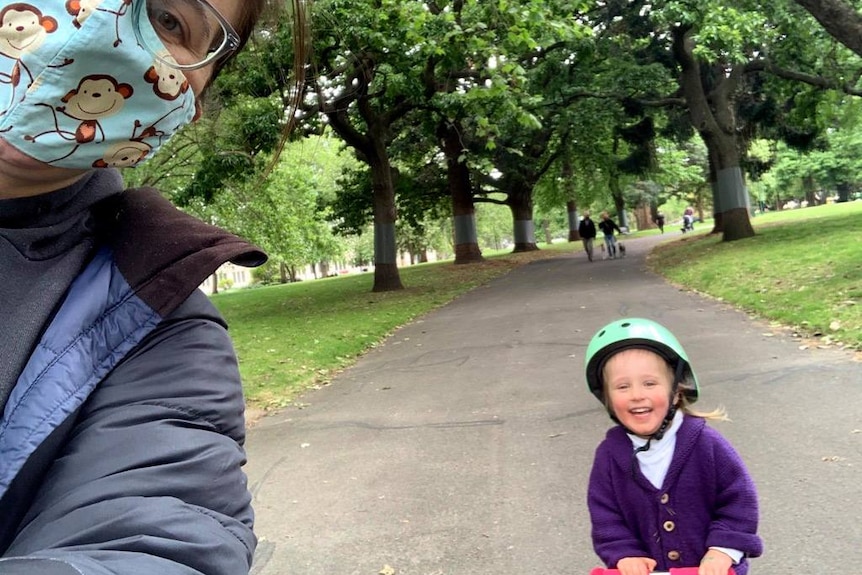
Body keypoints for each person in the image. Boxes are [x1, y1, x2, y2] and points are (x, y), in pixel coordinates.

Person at [0, 1, 279, 573]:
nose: (100, 18)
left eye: (171, 19)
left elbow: (148, 544)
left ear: (187, 105)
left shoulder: (164, 331)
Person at [584, 318, 763, 575]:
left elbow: (738, 501)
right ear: (608, 399)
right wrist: (625, 553)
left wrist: (722, 551)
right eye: (622, 386)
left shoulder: (707, 445)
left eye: (649, 383)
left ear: (677, 391)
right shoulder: (609, 456)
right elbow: (606, 516)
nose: (636, 394)